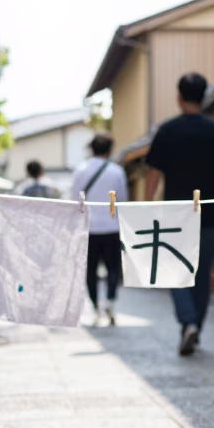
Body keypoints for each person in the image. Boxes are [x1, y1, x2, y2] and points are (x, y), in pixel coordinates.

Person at [145, 72, 214, 356]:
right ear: (204, 97)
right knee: (201, 275)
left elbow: (153, 173)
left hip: (174, 212)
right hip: (208, 212)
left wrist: (148, 204)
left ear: (179, 97)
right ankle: (195, 324)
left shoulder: (167, 131)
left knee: (175, 272)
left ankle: (188, 322)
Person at [71, 134, 128, 325]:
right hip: (112, 226)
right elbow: (123, 200)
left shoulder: (81, 170)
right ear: (110, 150)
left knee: (90, 271)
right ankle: (110, 300)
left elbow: (75, 199)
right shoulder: (117, 171)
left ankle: (95, 307)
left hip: (88, 227)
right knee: (113, 268)